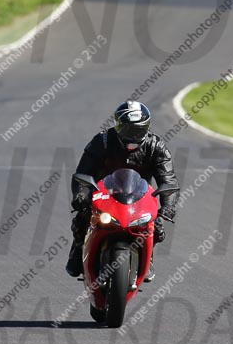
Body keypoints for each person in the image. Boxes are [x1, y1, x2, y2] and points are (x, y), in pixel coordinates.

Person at [66, 101, 180, 281]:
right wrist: (81, 195)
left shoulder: (156, 146)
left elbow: (169, 180)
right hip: (104, 194)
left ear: (147, 127)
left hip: (139, 197)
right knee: (82, 218)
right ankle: (78, 249)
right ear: (118, 126)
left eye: (138, 130)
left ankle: (147, 258)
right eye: (127, 130)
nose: (133, 135)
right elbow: (83, 172)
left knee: (156, 227)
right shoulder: (102, 141)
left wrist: (168, 207)